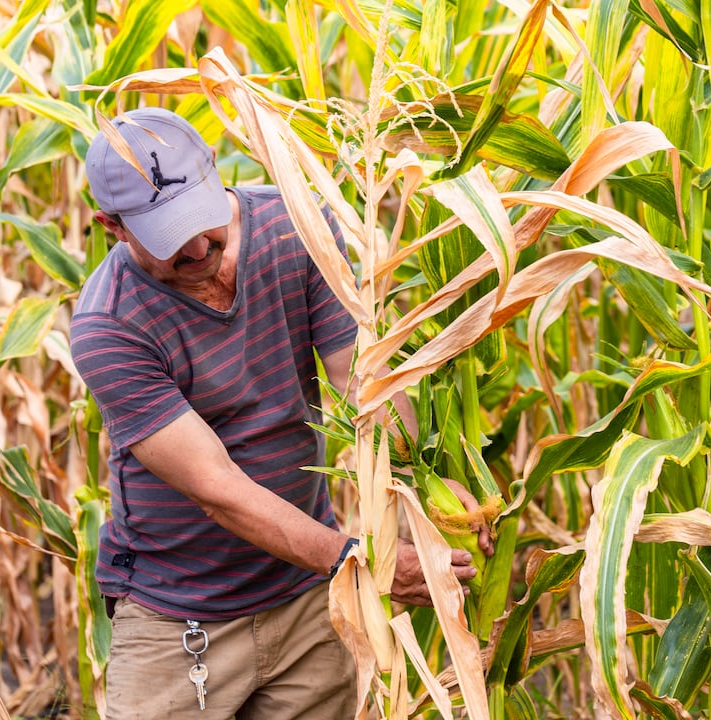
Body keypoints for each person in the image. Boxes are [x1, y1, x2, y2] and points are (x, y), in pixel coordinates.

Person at [71, 107, 489, 719]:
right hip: (178, 614)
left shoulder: (297, 228)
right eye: (167, 236)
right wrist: (358, 564)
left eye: (200, 217)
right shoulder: (109, 324)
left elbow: (359, 382)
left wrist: (426, 490)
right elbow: (219, 489)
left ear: (215, 173)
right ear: (112, 227)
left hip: (307, 600)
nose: (197, 246)